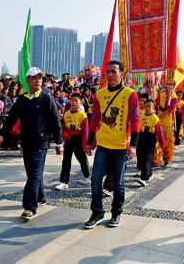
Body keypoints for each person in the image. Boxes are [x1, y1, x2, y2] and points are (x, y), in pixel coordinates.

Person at [0, 67, 63, 220]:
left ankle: (29, 207)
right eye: (34, 77)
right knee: (33, 173)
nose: (38, 80)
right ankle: (41, 197)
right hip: (26, 143)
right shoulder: (22, 100)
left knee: (33, 175)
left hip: (41, 142)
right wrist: (1, 135)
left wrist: (59, 142)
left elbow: (55, 122)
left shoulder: (47, 98)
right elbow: (11, 118)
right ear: (27, 80)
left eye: (40, 77)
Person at [84, 60, 139, 229]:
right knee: (95, 178)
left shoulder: (130, 94)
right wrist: (89, 142)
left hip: (121, 145)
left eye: (114, 71)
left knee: (118, 183)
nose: (110, 75)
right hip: (103, 144)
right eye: (107, 72)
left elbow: (135, 120)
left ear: (121, 73)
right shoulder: (99, 94)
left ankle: (116, 212)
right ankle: (97, 212)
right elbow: (95, 120)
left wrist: (133, 145)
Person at [55, 93, 90, 191]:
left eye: (76, 100)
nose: (74, 102)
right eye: (72, 100)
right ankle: (64, 181)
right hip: (69, 139)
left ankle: (86, 176)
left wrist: (84, 144)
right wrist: (62, 140)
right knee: (66, 160)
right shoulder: (66, 114)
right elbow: (63, 128)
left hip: (79, 139)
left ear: (81, 102)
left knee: (82, 159)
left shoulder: (83, 115)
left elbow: (85, 131)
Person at [137, 99, 165, 186]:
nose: (148, 108)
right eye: (146, 106)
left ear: (153, 107)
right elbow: (138, 128)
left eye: (150, 106)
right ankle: (149, 174)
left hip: (150, 137)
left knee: (147, 157)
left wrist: (162, 142)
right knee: (141, 156)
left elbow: (159, 131)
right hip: (142, 137)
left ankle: (144, 178)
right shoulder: (141, 116)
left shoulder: (155, 118)